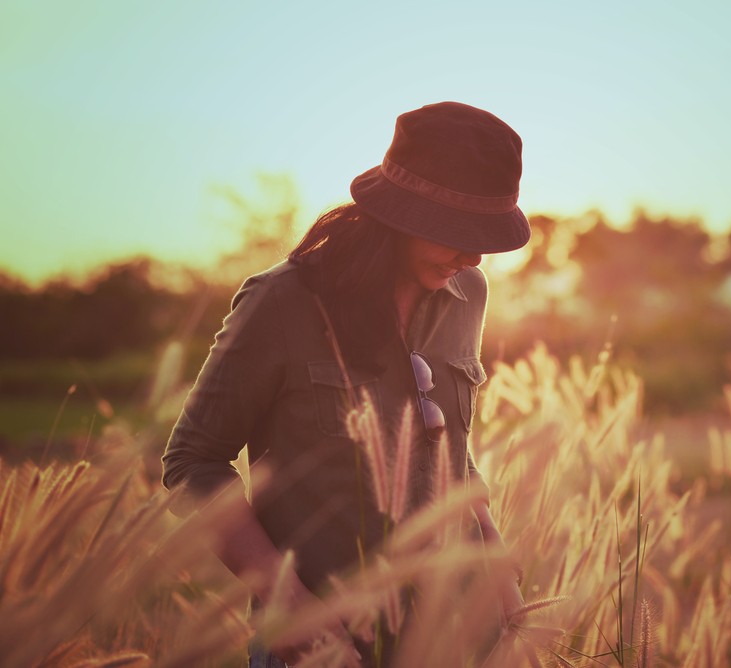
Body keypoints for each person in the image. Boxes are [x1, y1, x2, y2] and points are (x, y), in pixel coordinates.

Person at [161, 101, 529, 667]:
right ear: (400, 214)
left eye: (484, 235)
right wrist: (287, 603)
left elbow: (450, 451)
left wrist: (499, 571)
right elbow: (193, 463)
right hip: (326, 646)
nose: (475, 255)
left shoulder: (468, 293)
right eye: (457, 232)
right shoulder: (282, 302)